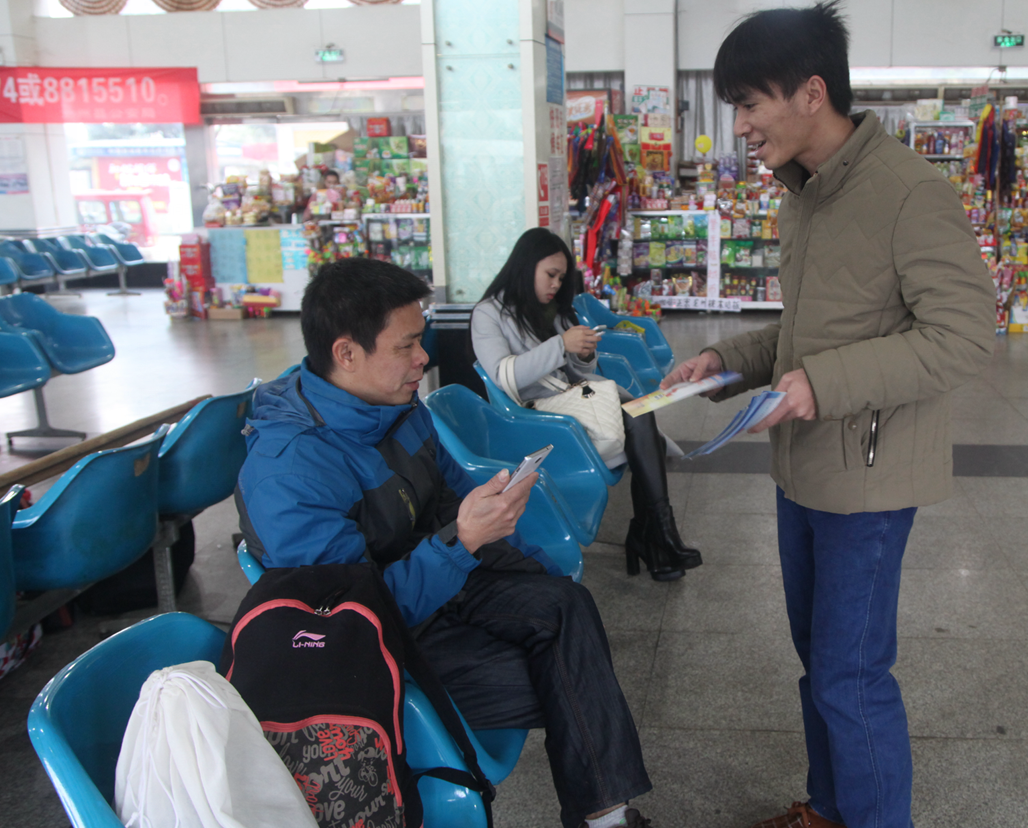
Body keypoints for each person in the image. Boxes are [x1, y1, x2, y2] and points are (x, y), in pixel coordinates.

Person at [661, 3, 994, 827]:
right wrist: (724, 364)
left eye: (749, 104)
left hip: (869, 482)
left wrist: (823, 384)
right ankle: (828, 809)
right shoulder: (803, 195)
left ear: (811, 93)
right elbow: (807, 329)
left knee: (853, 676)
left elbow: (962, 336)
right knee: (820, 661)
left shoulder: (910, 193)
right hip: (802, 468)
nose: (740, 126)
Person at [235, 258, 654, 828]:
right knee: (574, 677)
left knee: (567, 606)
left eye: (421, 339)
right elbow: (353, 620)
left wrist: (517, 557)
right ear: (347, 353)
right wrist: (463, 542)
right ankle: (606, 818)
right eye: (406, 346)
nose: (424, 359)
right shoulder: (290, 471)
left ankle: (604, 817)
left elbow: (452, 496)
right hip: (374, 644)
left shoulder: (394, 406)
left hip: (439, 587)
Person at [471, 227, 701, 581]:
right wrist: (561, 345)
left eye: (561, 278)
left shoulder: (553, 310)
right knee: (646, 432)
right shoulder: (488, 313)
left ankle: (657, 536)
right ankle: (657, 538)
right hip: (535, 417)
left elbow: (578, 374)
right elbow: (505, 376)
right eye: (550, 275)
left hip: (572, 403)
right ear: (526, 266)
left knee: (643, 422)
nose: (556, 285)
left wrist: (583, 353)